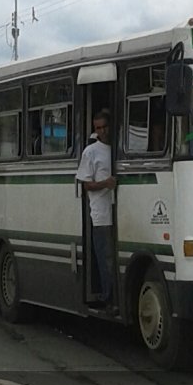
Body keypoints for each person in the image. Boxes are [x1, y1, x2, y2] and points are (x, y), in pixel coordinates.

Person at [76, 112, 116, 307]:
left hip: (121, 211)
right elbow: (86, 185)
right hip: (101, 213)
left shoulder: (119, 149)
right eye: (98, 128)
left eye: (105, 127)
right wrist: (105, 183)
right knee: (105, 257)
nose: (102, 131)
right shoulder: (91, 152)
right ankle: (108, 297)